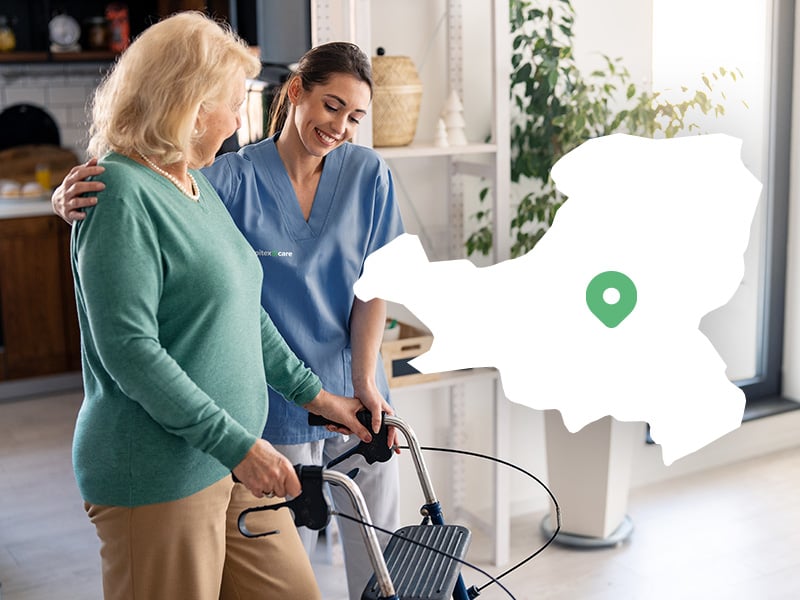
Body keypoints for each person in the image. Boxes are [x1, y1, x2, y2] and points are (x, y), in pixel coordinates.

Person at [54, 41, 404, 600]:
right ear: (188, 102)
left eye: (354, 116)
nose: (240, 118)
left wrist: (323, 395)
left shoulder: (194, 185)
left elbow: (248, 313)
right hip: (170, 466)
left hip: (229, 456)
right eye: (233, 100)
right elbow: (129, 349)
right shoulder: (146, 187)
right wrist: (239, 445)